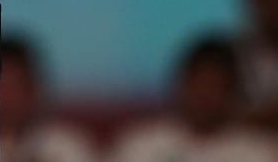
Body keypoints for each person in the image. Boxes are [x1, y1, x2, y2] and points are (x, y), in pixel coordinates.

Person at [108, 37, 277, 162]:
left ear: (234, 91)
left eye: (215, 86)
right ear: (181, 83)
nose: (205, 96)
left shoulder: (257, 152)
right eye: (199, 84)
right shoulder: (140, 145)